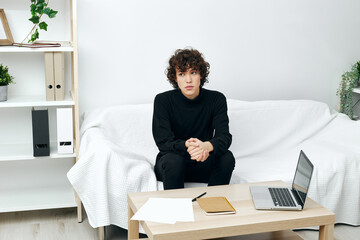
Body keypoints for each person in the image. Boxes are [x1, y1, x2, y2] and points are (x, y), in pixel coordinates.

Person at [152, 48, 235, 190]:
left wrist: (206, 146)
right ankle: (177, 210)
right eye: (182, 74)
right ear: (175, 78)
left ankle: (213, 204)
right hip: (173, 164)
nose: (188, 80)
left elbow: (224, 137)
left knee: (227, 157)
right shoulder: (163, 100)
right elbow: (163, 142)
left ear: (201, 75)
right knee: (173, 160)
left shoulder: (216, 99)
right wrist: (187, 145)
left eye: (193, 72)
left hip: (203, 160)